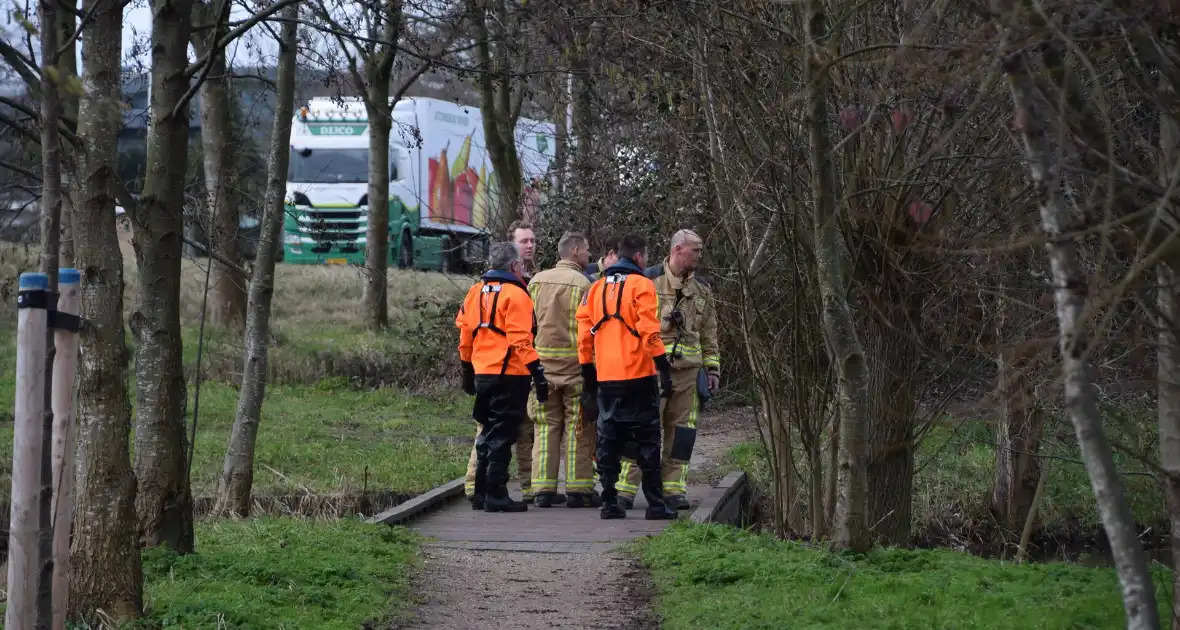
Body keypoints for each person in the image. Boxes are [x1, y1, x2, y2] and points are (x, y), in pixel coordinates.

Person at [615, 229, 720, 511]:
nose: (699, 256)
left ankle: (673, 489)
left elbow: (710, 335)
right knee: (641, 430)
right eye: (694, 250)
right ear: (677, 250)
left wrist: (712, 370)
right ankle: (625, 489)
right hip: (650, 373)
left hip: (688, 374)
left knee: (682, 432)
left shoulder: (702, 290)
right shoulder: (646, 282)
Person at [576, 234, 677, 520]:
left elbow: (584, 336)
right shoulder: (642, 285)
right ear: (639, 258)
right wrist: (663, 368)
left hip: (606, 378)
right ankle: (656, 505)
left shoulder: (594, 289)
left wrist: (588, 376)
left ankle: (609, 503)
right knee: (647, 440)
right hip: (639, 376)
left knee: (608, 440)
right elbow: (649, 330)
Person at [455, 241, 549, 513]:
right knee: (503, 435)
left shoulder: (474, 292)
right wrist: (537, 373)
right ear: (513, 265)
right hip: (509, 374)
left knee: (487, 430)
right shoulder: (516, 295)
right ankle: (496, 494)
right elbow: (521, 340)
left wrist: (466, 370)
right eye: (520, 265)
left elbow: (465, 335)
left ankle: (483, 492)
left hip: (482, 373)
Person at [527, 231, 602, 508]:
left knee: (545, 429)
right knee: (578, 429)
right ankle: (579, 489)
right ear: (574, 251)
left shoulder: (535, 282)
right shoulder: (585, 285)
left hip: (542, 371)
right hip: (574, 371)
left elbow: (529, 325)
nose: (588, 256)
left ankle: (543, 490)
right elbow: (589, 330)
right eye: (586, 251)